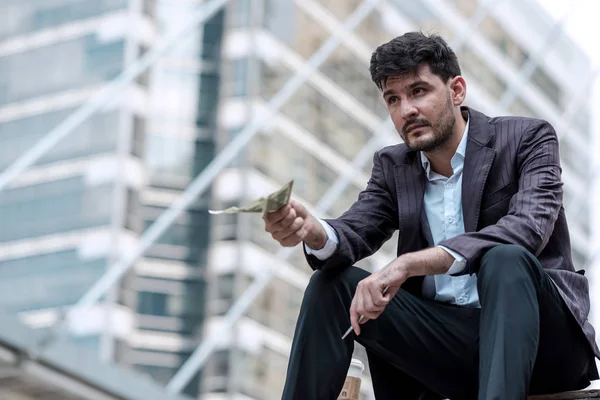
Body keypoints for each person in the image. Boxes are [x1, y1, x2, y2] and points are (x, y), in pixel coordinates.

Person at [264, 32, 600, 400]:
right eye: (393, 99)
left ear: (456, 90)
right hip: (451, 349)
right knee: (331, 286)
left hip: (541, 346)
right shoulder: (393, 166)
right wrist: (312, 231)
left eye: (419, 91)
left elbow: (527, 228)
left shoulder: (528, 138)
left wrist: (410, 264)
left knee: (505, 258)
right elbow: (354, 230)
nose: (406, 110)